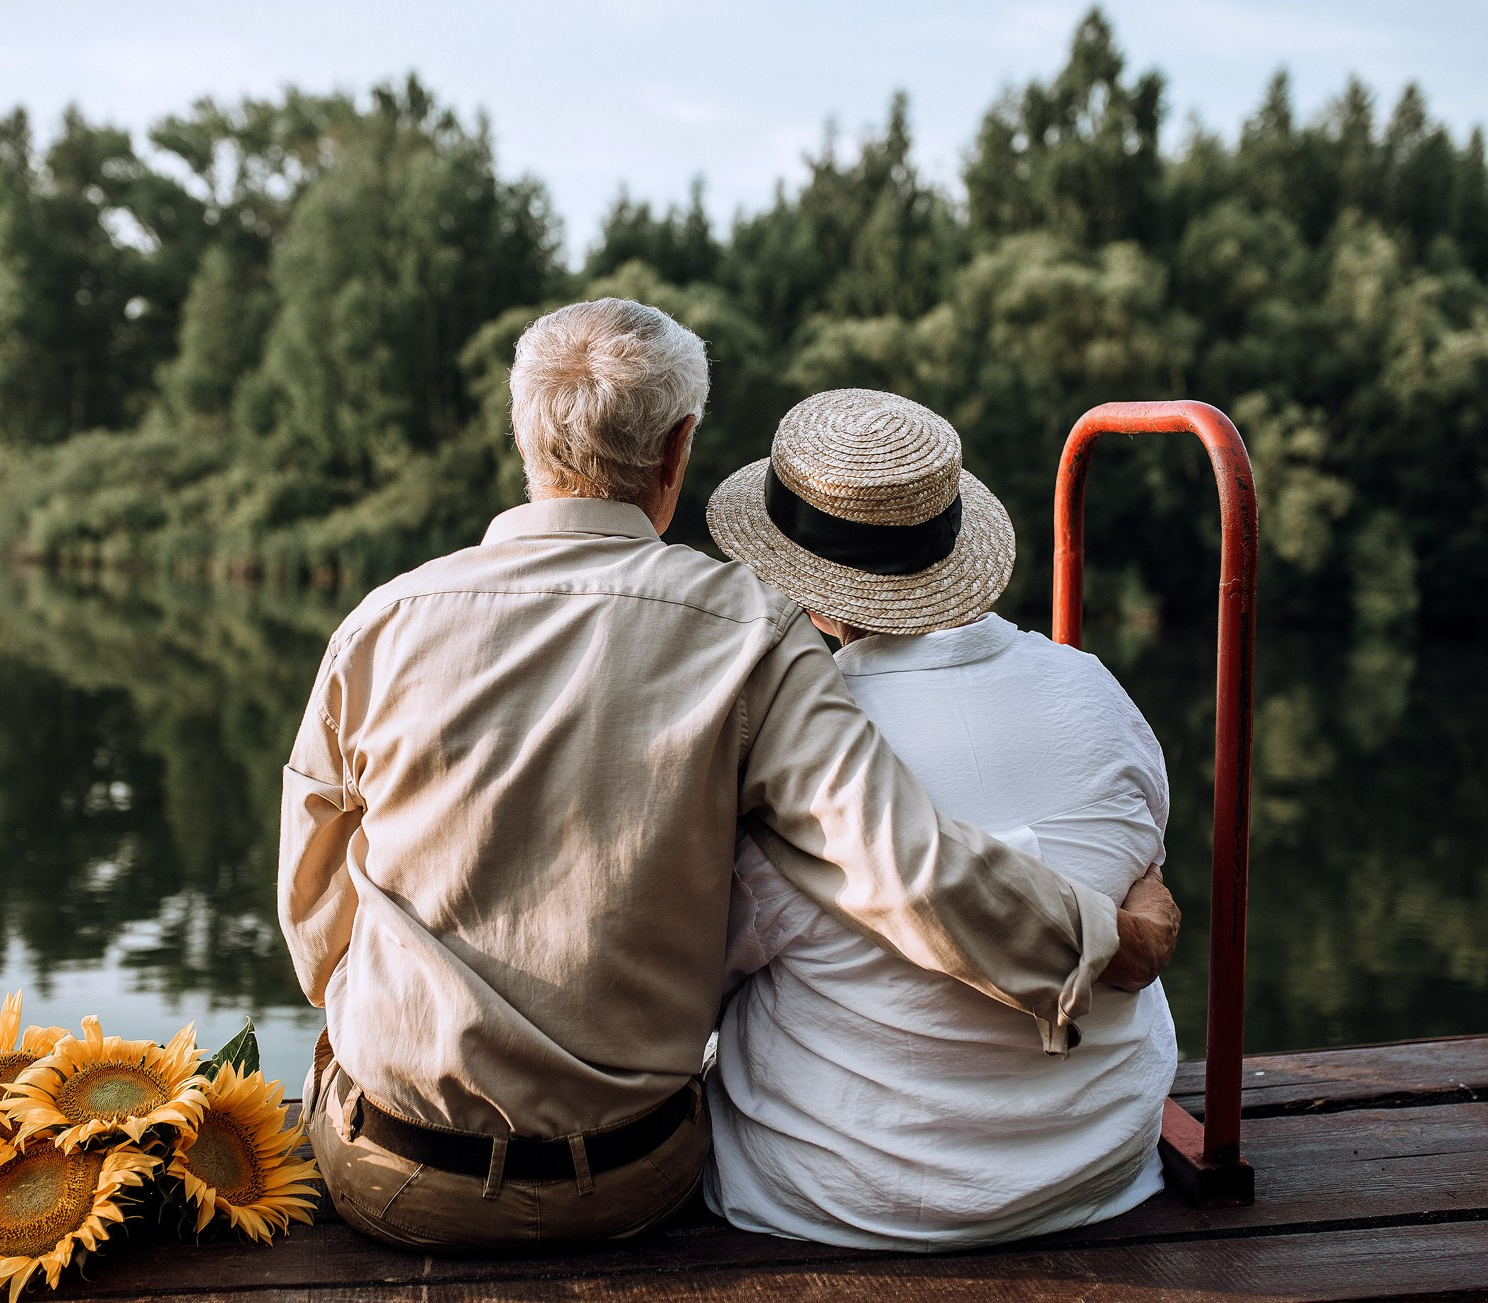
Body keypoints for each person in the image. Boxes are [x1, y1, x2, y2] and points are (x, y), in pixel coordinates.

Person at [277, 299, 1180, 1250]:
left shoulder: (380, 623)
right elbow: (895, 861)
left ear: (521, 434)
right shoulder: (750, 633)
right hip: (630, 1183)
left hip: (396, 1180)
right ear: (679, 449)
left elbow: (315, 916)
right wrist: (1101, 943)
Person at [701, 388, 1179, 1250]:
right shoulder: (1095, 693)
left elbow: (711, 964)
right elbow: (1145, 862)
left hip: (843, 1190)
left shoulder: (795, 743)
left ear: (800, 582)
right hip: (1100, 1166)